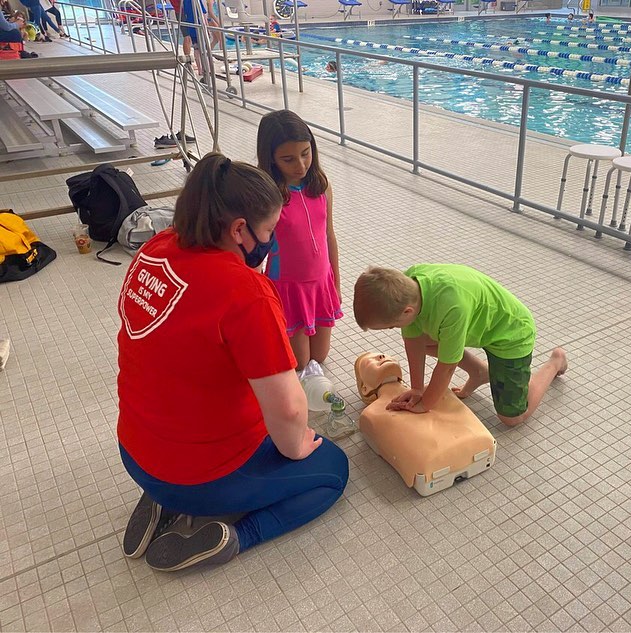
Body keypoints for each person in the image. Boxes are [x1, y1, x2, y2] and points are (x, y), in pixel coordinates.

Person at [117, 153, 349, 572]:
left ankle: (161, 498)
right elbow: (289, 408)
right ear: (240, 230)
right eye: (269, 230)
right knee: (333, 469)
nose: (272, 240)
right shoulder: (245, 292)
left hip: (134, 452)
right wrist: (296, 446)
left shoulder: (154, 250)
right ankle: (235, 537)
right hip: (200, 474)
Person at [353, 264, 568, 427]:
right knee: (427, 341)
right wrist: (417, 389)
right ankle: (481, 372)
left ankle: (555, 361)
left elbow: (447, 367)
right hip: (479, 327)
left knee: (512, 418)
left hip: (511, 335)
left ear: (407, 311)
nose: (394, 329)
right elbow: (414, 342)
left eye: (392, 326)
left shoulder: (452, 307)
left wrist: (425, 404)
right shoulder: (408, 287)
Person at [257, 110, 343, 371]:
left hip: (320, 282)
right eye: (288, 159)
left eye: (306, 153)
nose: (301, 165)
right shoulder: (268, 196)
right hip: (287, 287)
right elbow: (253, 250)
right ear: (271, 159)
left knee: (320, 357)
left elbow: (329, 235)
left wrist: (336, 284)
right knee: (299, 362)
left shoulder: (321, 185)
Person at [354, 352, 496, 491]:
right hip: (438, 466)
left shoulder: (437, 389)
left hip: (442, 466)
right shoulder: (372, 414)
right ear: (365, 388)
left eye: (385, 355)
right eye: (369, 361)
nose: (381, 356)